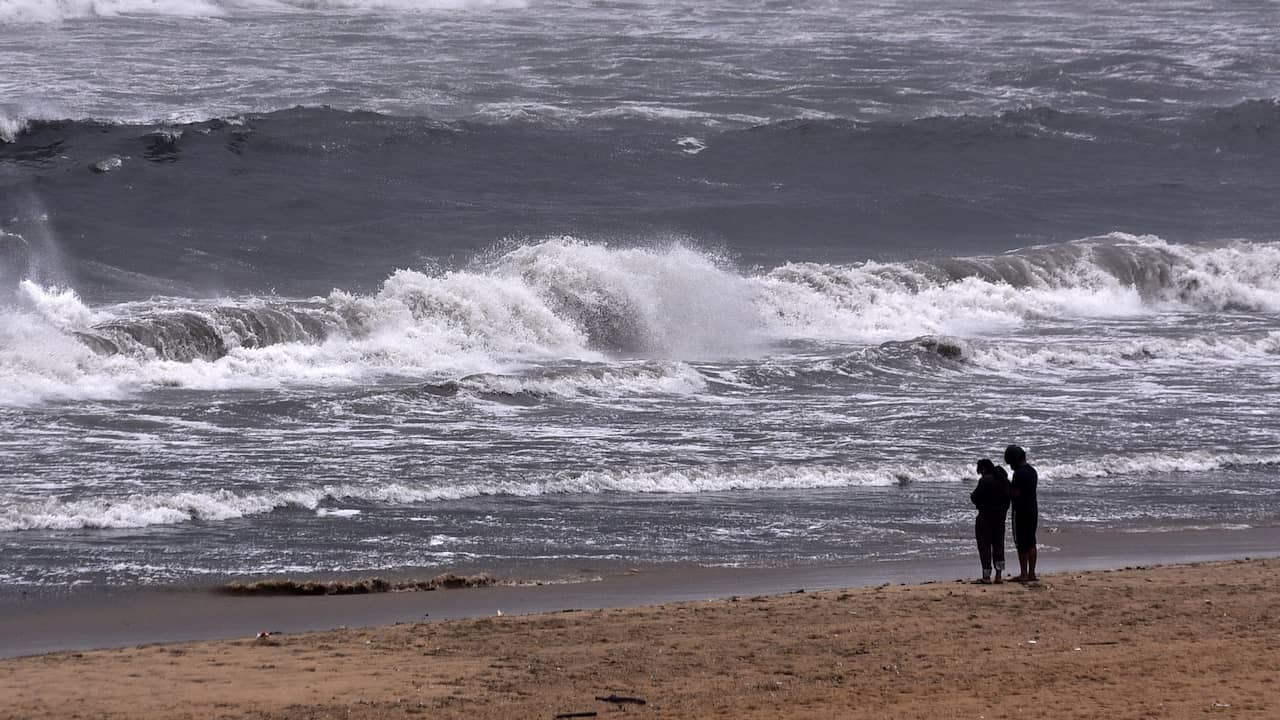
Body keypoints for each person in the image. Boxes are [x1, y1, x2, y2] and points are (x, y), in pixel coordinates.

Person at [970, 458, 1010, 583]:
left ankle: (986, 576)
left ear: (983, 469)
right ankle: (998, 576)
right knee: (999, 546)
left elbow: (975, 497)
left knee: (984, 547)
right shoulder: (1004, 481)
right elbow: (1008, 500)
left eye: (980, 471)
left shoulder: (984, 481)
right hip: (1000, 518)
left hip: (985, 518)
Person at [1005, 444, 1039, 581]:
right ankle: (1032, 573)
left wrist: (1007, 487)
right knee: (1031, 541)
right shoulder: (1032, 471)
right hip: (1033, 510)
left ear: (1015, 460)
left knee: (1021, 543)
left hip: (1020, 511)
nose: (1010, 466)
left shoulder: (1018, 474)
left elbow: (1016, 494)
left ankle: (1023, 574)